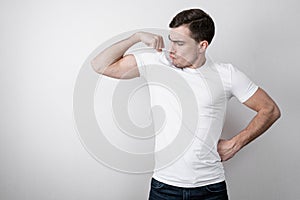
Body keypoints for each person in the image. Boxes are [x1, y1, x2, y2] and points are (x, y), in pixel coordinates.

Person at [91, 8, 280, 200]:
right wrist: (136, 37)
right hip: (163, 187)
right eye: (171, 40)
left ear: (202, 45)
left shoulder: (226, 75)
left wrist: (235, 143)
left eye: (180, 43)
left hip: (210, 188)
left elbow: (270, 110)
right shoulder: (156, 63)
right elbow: (100, 65)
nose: (171, 49)